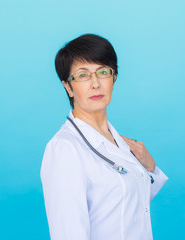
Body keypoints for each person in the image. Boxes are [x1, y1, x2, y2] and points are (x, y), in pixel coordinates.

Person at [40, 33, 168, 240]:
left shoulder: (119, 142)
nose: (95, 83)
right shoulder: (64, 148)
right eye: (83, 75)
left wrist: (151, 168)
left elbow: (126, 210)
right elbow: (69, 234)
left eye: (103, 72)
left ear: (114, 78)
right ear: (68, 86)